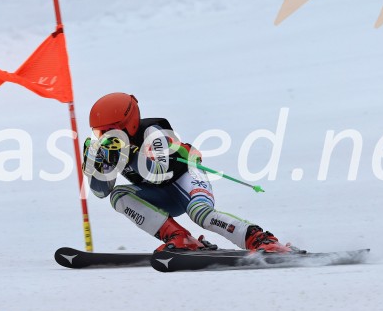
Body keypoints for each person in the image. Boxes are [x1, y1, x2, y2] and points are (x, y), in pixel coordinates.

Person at [82, 92, 295, 253]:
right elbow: (101, 192)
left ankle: (258, 238)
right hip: (161, 195)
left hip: (185, 179)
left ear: (127, 124)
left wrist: (129, 154)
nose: (104, 138)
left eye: (108, 131)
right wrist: (96, 167)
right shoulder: (114, 148)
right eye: (98, 132)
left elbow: (159, 173)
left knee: (200, 213)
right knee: (118, 195)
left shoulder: (153, 133)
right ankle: (181, 238)